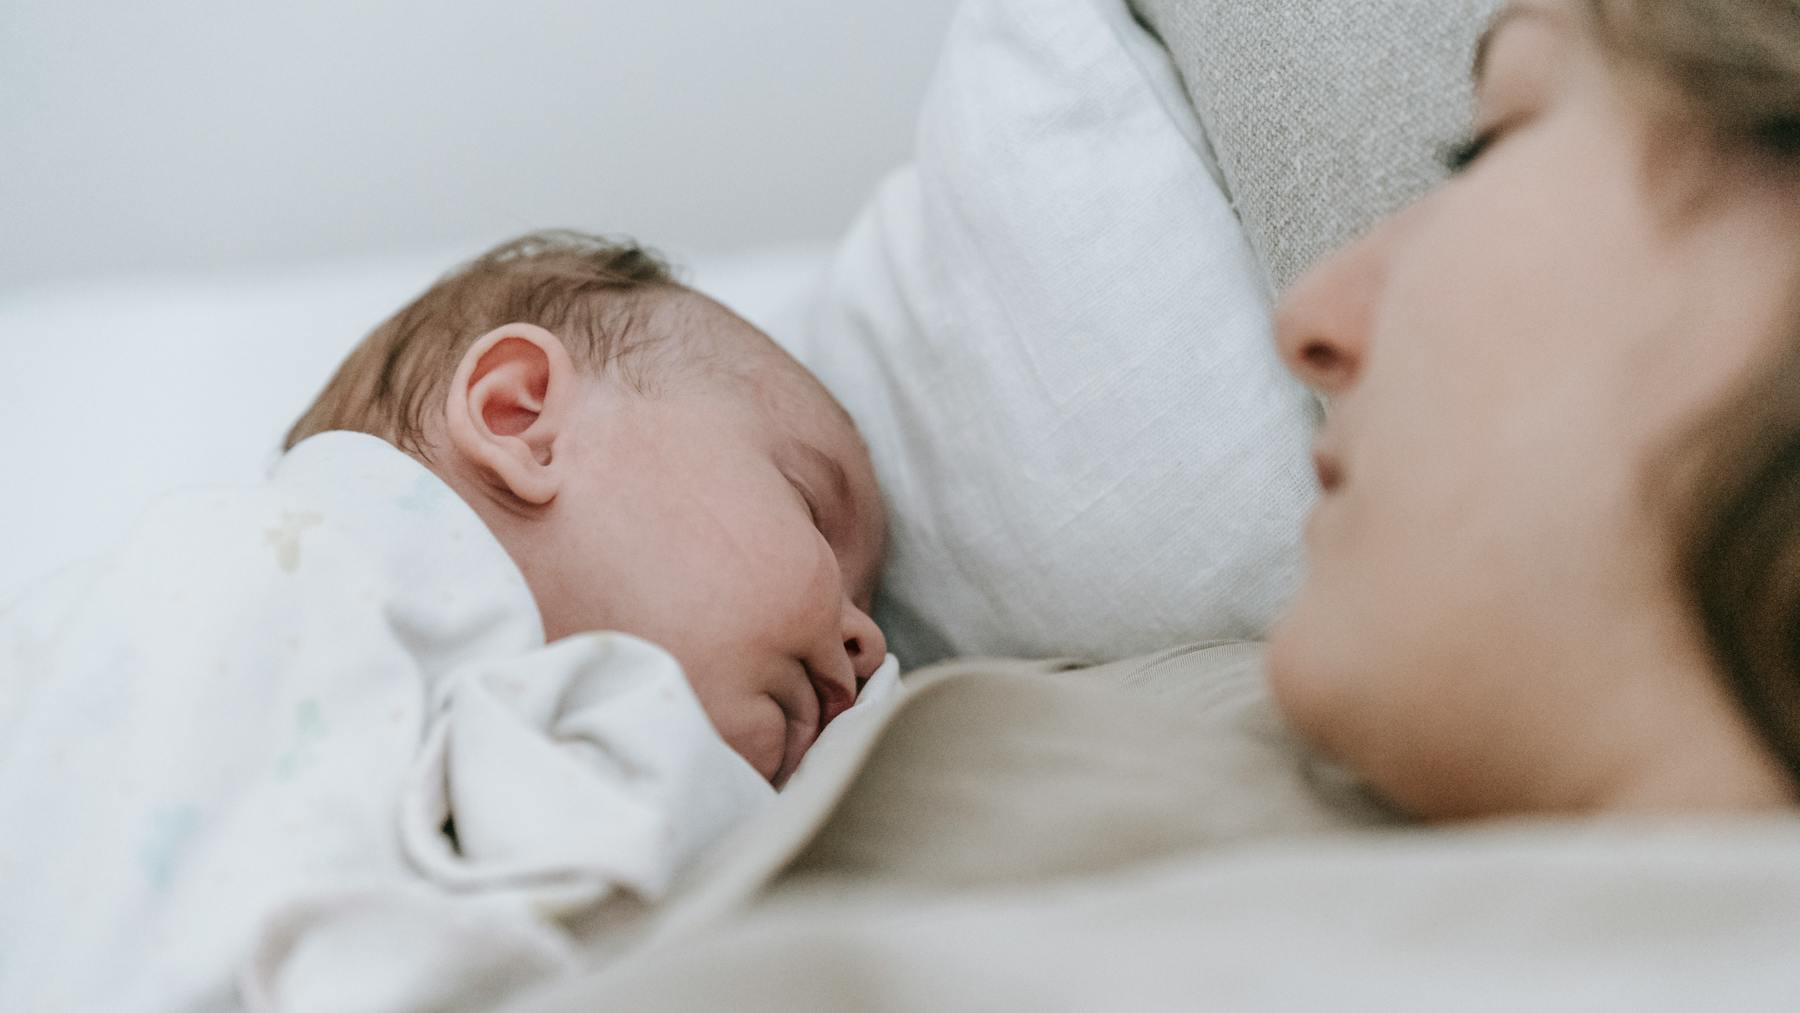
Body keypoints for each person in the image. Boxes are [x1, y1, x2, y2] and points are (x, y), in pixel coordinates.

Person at [0, 230, 893, 1009]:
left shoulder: (501, 755)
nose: (871, 643)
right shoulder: (268, 567)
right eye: (813, 509)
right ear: (523, 420)